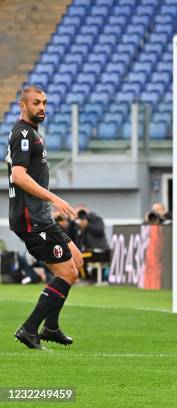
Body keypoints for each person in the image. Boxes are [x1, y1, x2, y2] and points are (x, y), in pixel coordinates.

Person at [6, 85, 83, 349]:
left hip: (39, 216)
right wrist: (53, 198)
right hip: (31, 218)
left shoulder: (30, 133)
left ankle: (50, 327)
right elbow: (19, 175)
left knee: (76, 259)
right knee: (67, 273)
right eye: (36, 103)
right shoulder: (24, 134)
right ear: (23, 106)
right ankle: (29, 329)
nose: (42, 108)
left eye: (44, 103)